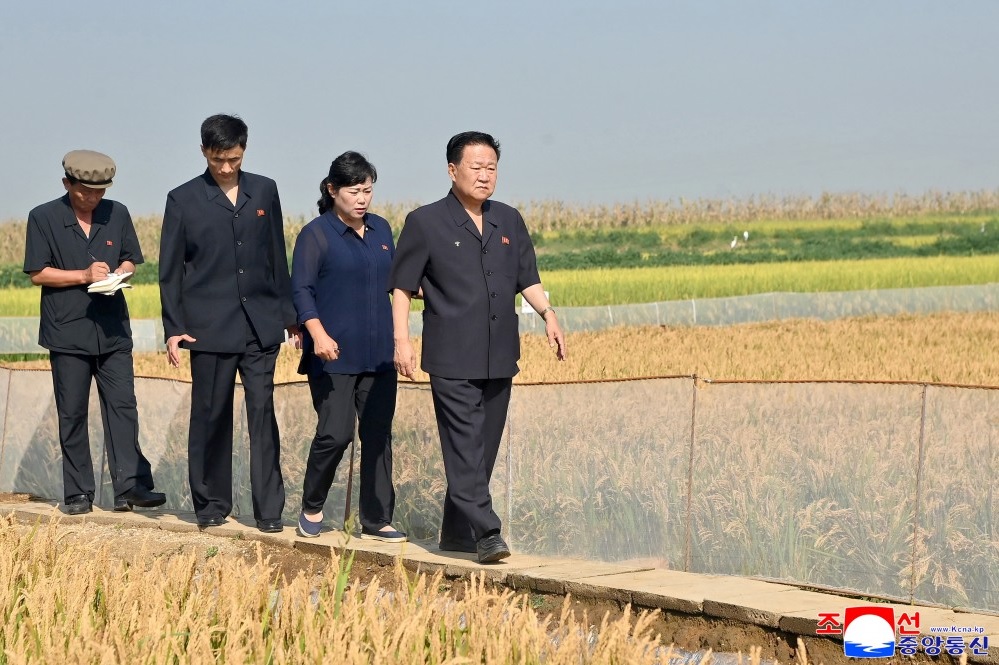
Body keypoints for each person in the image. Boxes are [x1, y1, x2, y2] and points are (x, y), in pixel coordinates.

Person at [389, 131, 567, 563]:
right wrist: (402, 341)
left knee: (482, 450)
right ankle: (487, 532)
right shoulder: (425, 222)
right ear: (453, 170)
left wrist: (549, 314)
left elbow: (527, 277)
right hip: (451, 355)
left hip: (500, 353)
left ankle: (456, 533)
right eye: (476, 167)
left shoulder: (509, 219)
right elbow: (401, 288)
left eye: (492, 168)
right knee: (464, 445)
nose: (485, 175)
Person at [159, 114, 299, 532]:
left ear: (244, 150)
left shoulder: (265, 190)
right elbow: (170, 272)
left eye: (233, 159)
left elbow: (276, 256)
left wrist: (289, 316)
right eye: (217, 159)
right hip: (207, 328)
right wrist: (173, 328)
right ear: (204, 151)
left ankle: (269, 510)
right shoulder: (182, 199)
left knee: (263, 415)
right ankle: (211, 504)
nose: (225, 167)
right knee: (210, 416)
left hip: (260, 325)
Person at [23, 150, 166, 515]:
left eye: (100, 191)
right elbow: (38, 273)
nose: (93, 198)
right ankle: (77, 494)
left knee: (123, 407)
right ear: (66, 183)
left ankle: (130, 488)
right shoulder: (43, 217)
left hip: (113, 329)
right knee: (72, 412)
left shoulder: (118, 213)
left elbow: (131, 259)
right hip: (66, 330)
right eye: (85, 191)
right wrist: (83, 276)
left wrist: (121, 272)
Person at [291, 151, 405, 542]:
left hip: (380, 354)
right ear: (332, 189)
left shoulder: (382, 230)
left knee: (378, 434)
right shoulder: (316, 234)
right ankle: (312, 505)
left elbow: (397, 282)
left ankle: (377, 518)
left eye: (367, 190)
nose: (362, 199)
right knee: (335, 434)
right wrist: (317, 334)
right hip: (333, 355)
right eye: (354, 191)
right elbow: (301, 290)